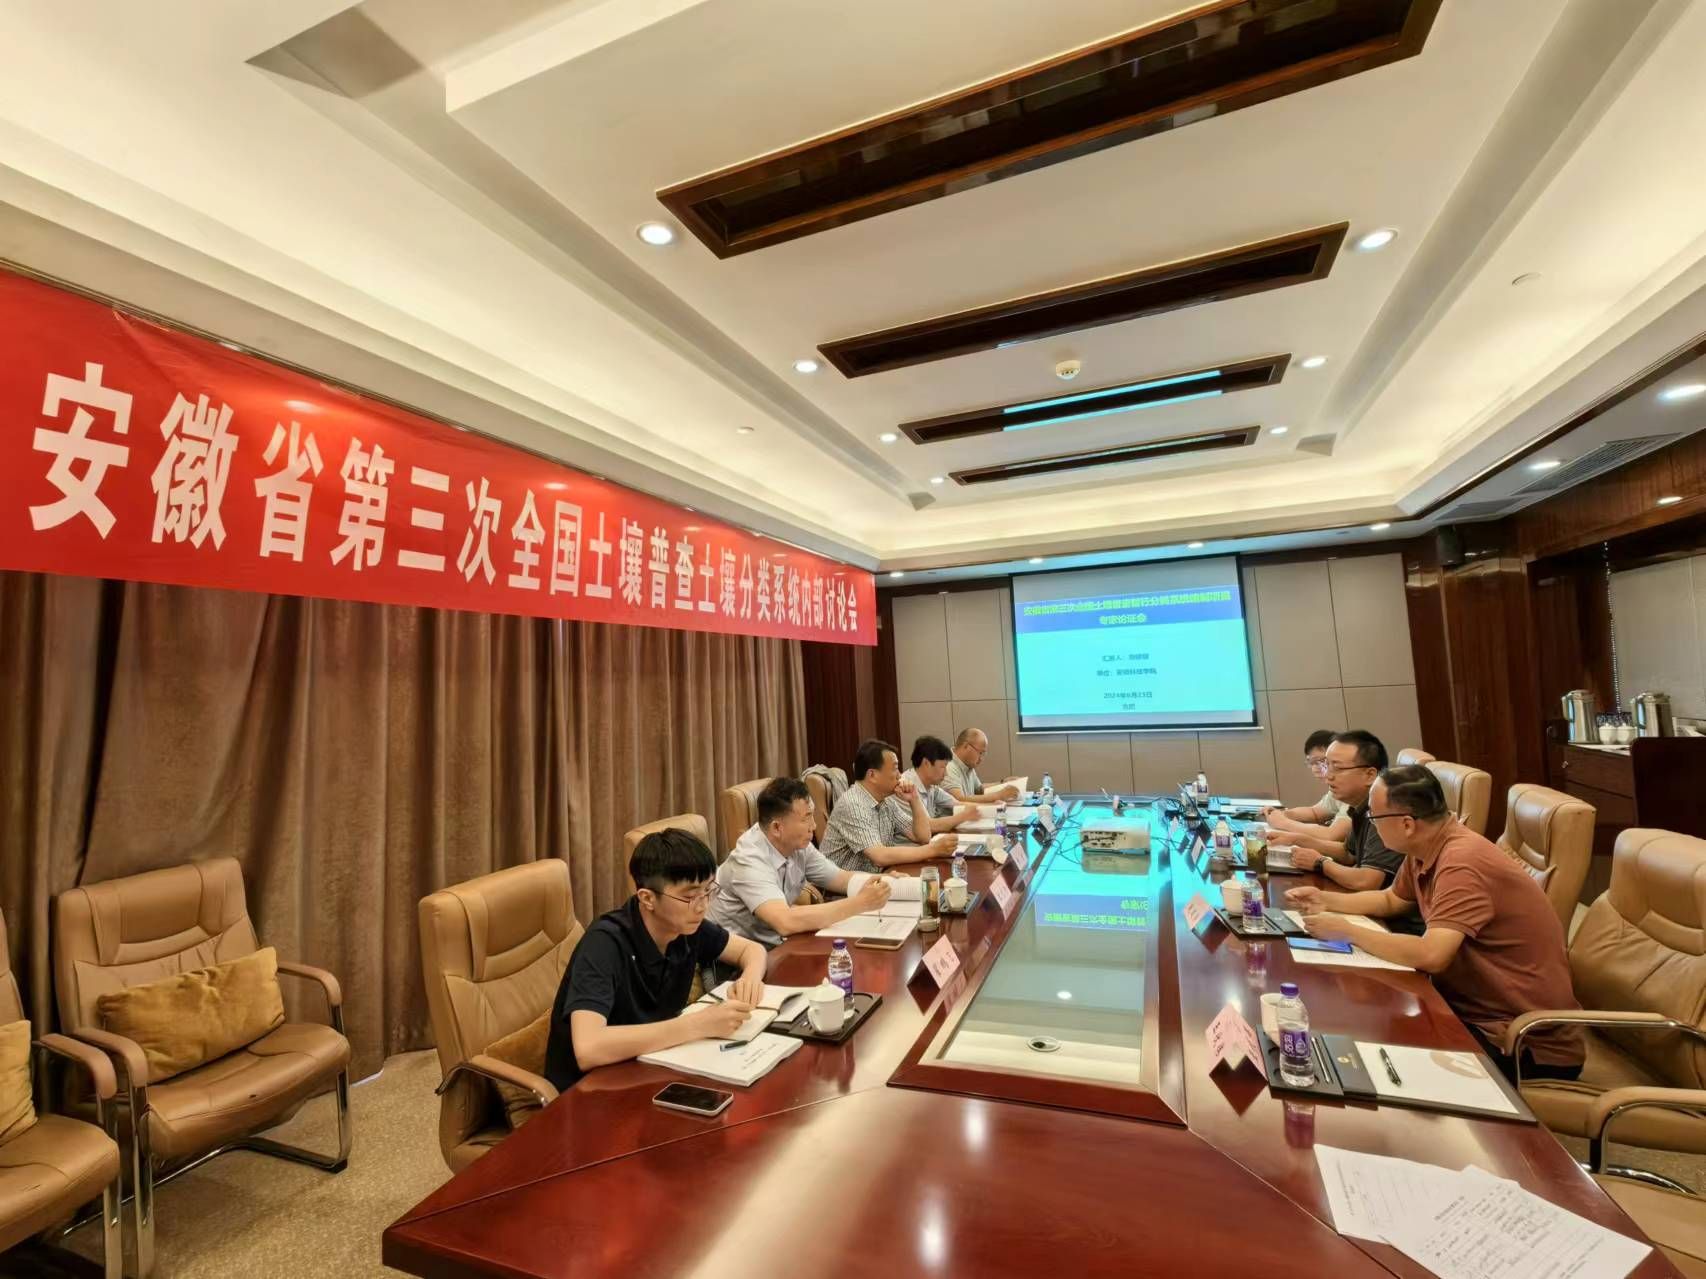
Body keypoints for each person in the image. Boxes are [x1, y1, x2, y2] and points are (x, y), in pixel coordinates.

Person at [1286, 765, 1585, 1083]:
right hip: (1469, 1011)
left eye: (1374, 817)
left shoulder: (1462, 862)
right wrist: (1325, 900)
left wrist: (1348, 931)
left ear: (1407, 824)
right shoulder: (1427, 846)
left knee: (1370, 1063)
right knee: (1361, 1030)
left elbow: (1432, 955)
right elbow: (1392, 900)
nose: (1371, 824)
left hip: (1521, 1041)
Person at [543, 827, 768, 1091]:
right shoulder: (604, 944)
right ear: (647, 898)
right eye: (689, 896)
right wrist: (696, 1025)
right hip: (590, 1090)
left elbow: (751, 950)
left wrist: (750, 978)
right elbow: (589, 1048)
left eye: (708, 890)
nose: (702, 906)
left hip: (648, 1069)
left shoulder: (686, 926)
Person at [710, 776, 895, 945]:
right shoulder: (748, 860)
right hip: (735, 958)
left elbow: (840, 878)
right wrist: (860, 903)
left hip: (775, 943)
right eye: (806, 818)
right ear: (777, 828)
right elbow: (785, 921)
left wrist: (884, 881)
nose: (814, 826)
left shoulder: (798, 844)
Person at [823, 738, 958, 873]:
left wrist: (914, 799)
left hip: (876, 877)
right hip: (844, 884)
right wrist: (933, 850)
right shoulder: (853, 804)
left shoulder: (887, 800)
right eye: (895, 768)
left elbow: (923, 837)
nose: (900, 775)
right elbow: (879, 856)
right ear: (872, 775)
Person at [1261, 729, 1352, 863]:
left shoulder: (1355, 791)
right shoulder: (1337, 788)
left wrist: (1284, 823)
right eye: (1312, 763)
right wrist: (1284, 814)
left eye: (1321, 762)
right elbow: (1315, 812)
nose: (1316, 768)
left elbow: (1332, 836)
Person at [891, 735, 974, 838]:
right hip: (909, 845)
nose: (946, 773)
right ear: (926, 763)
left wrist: (987, 808)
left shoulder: (931, 786)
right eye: (943, 767)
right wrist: (963, 816)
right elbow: (928, 825)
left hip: (927, 841)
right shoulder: (905, 787)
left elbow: (957, 804)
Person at [943, 728, 1020, 804]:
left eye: (983, 754)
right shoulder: (948, 766)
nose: (981, 759)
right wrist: (998, 796)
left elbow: (979, 790)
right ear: (966, 746)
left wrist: (1003, 783)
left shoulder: (967, 763)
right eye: (980, 753)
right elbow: (959, 800)